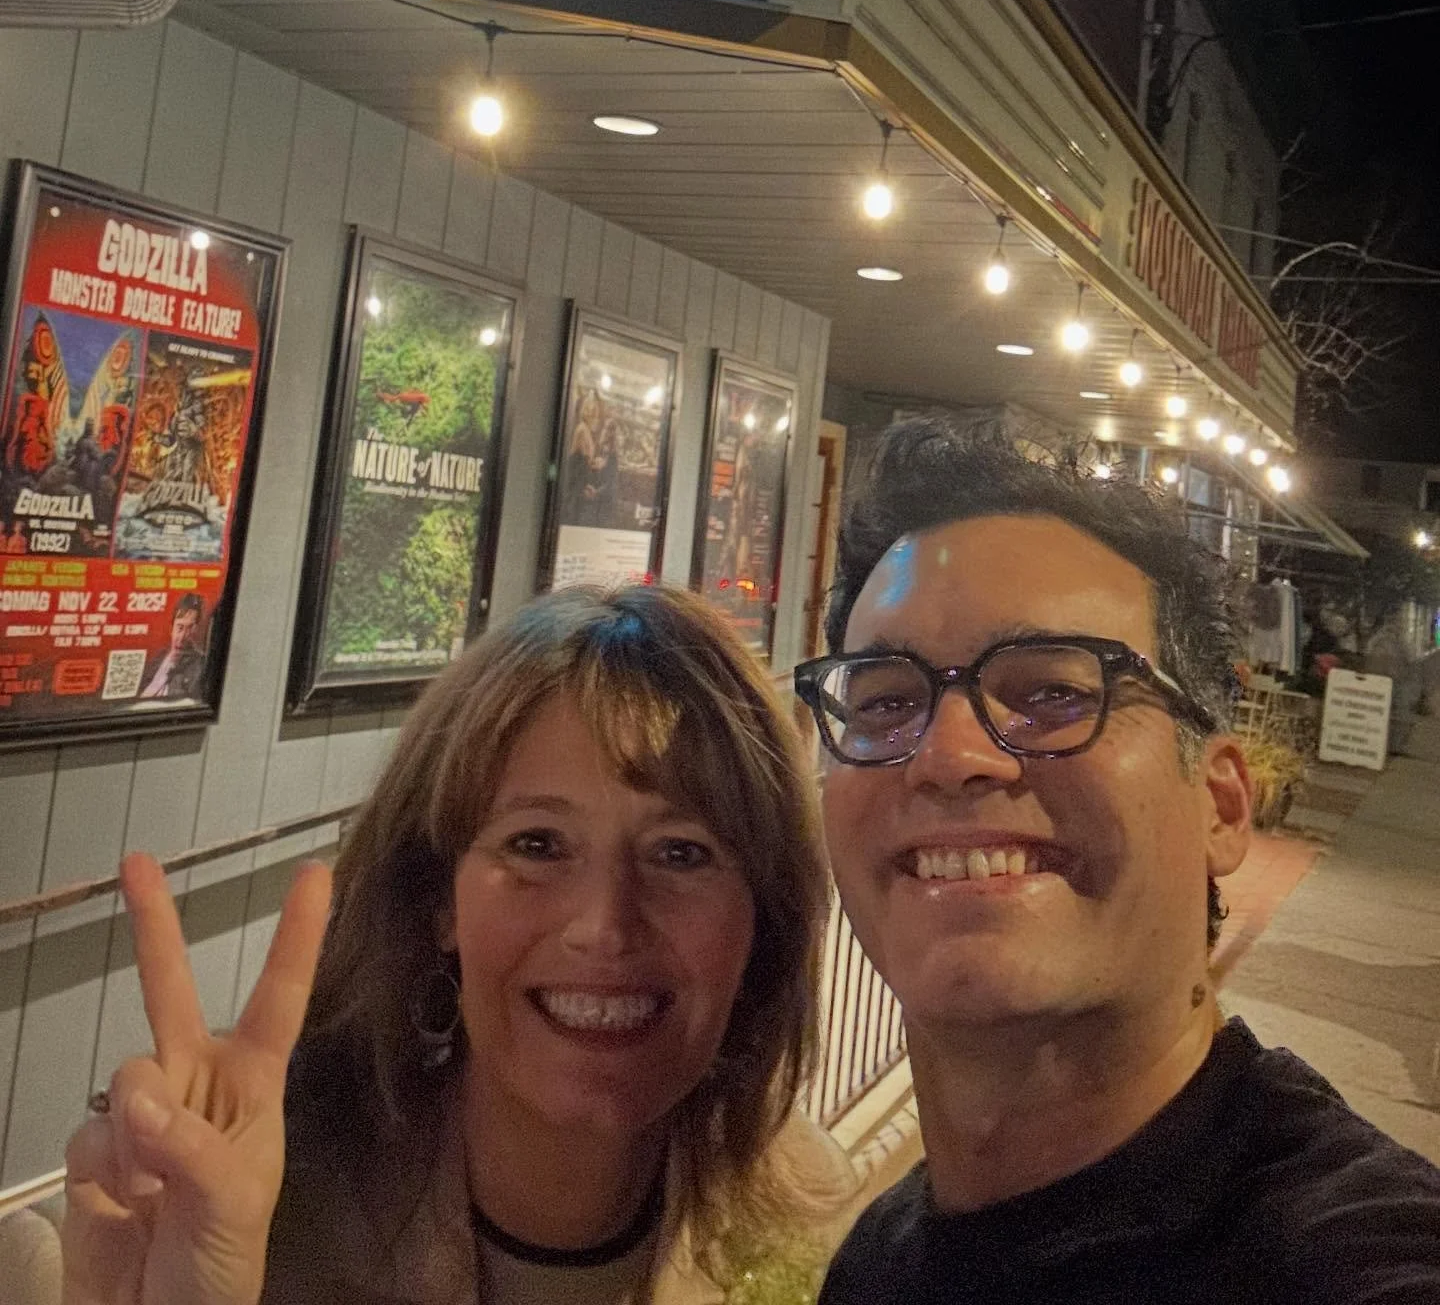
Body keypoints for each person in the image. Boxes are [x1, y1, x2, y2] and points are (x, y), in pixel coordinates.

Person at [796, 421, 1440, 1304]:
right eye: (886, 701)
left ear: (1219, 805)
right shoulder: (878, 1263)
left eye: (1053, 691)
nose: (948, 755)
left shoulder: (1339, 1254)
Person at [62, 585, 846, 1305]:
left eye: (681, 852)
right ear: (439, 898)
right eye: (537, 845)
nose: (605, 928)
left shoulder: (827, 1243)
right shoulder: (257, 1217)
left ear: (762, 920)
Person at [136, 592, 208, 701]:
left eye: (190, 629)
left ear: (196, 630)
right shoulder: (159, 657)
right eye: (180, 628)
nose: (182, 636)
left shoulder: (200, 665)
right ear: (172, 629)